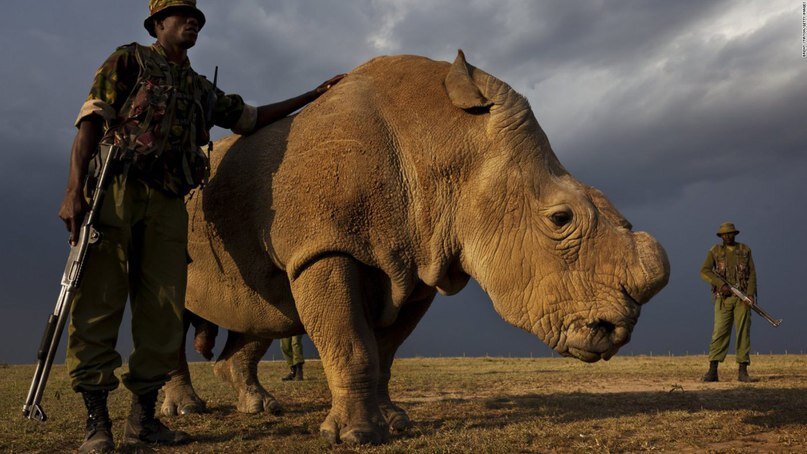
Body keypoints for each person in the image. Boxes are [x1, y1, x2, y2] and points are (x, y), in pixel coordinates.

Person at [58, 1, 343, 452]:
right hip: (116, 190)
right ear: (158, 24)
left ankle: (143, 421)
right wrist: (75, 189)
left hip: (172, 203)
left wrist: (314, 94)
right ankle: (97, 424)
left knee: (164, 310)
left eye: (197, 17)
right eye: (181, 15)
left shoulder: (199, 88)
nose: (192, 21)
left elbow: (250, 117)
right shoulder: (128, 59)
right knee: (100, 301)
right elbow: (90, 120)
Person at [699, 222, 757, 383]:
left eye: (730, 233)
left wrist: (751, 294)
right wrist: (721, 284)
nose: (728, 236)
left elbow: (752, 274)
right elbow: (704, 271)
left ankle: (743, 371)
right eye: (724, 234)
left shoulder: (745, 250)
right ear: (721, 236)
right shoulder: (715, 251)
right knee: (719, 332)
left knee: (743, 332)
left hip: (742, 298)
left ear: (735, 234)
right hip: (722, 299)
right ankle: (712, 370)